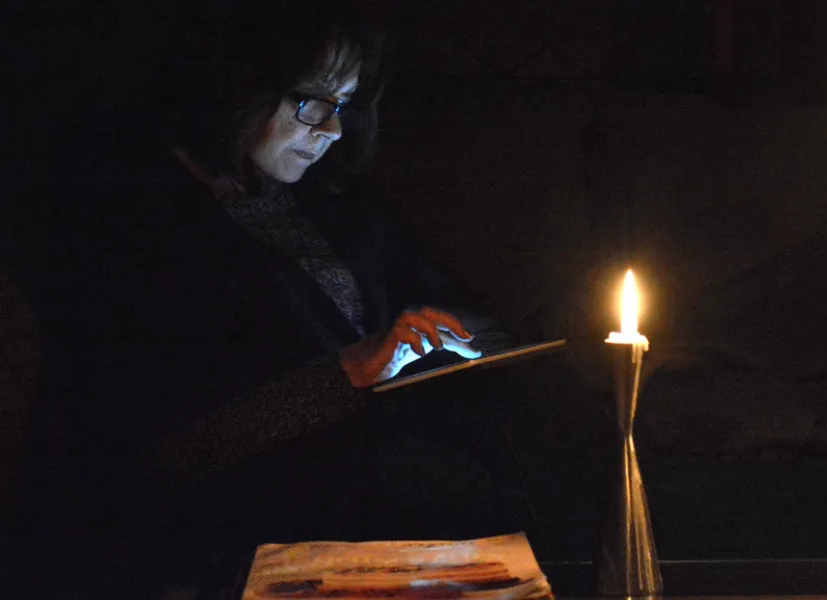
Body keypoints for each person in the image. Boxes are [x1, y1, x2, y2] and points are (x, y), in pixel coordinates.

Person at [7, 1, 517, 597]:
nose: (330, 129)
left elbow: (460, 309)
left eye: (343, 106)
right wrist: (347, 372)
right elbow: (152, 456)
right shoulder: (126, 227)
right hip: (226, 535)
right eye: (312, 102)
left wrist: (454, 339)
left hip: (370, 491)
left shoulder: (333, 202)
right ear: (235, 82)